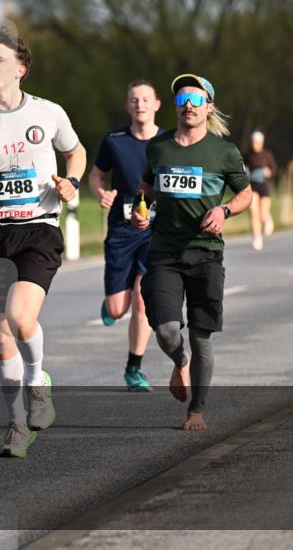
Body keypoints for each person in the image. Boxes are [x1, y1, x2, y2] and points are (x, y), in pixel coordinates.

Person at [0, 27, 86, 457]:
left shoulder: (49, 113)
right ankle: (16, 422)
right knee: (1, 336)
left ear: (20, 69)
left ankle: (38, 381)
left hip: (39, 227)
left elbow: (75, 151)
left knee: (21, 318)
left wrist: (72, 182)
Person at [131, 74, 251, 431]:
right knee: (167, 330)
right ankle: (178, 360)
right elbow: (146, 188)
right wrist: (141, 209)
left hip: (205, 253)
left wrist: (224, 210)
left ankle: (196, 409)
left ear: (209, 107)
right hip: (164, 251)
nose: (188, 104)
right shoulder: (159, 146)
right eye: (182, 97)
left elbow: (246, 194)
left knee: (201, 335)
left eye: (196, 99)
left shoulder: (224, 151)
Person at [88, 79, 162, 392]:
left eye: (146, 99)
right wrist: (100, 194)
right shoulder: (114, 140)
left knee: (144, 299)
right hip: (121, 229)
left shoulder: (169, 142)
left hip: (156, 230)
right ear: (127, 106)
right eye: (134, 100)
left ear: (157, 105)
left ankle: (134, 368)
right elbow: (96, 175)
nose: (140, 104)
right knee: (119, 309)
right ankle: (112, 305)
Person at [244, 131, 277, 251]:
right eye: (253, 142)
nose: (255, 144)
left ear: (261, 143)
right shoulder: (247, 155)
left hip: (264, 186)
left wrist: (268, 172)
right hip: (252, 186)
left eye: (257, 142)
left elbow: (274, 169)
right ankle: (256, 237)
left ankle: (268, 220)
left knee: (263, 213)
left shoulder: (267, 154)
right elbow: (243, 168)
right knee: (253, 212)